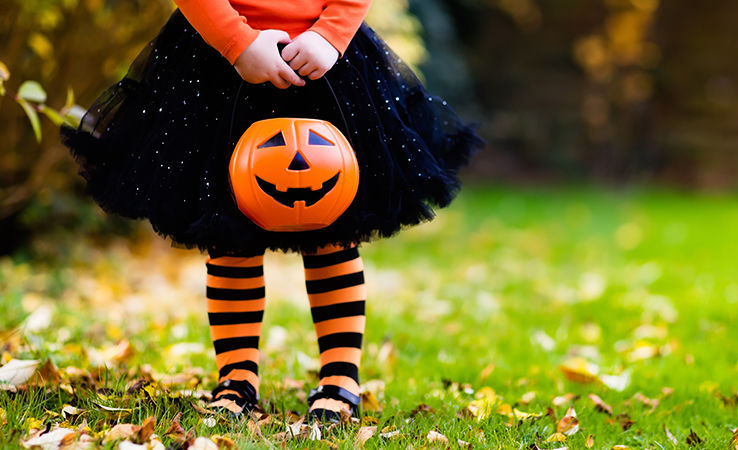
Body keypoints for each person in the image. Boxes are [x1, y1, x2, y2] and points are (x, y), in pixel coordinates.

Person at [61, 0, 482, 421]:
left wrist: (331, 34)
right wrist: (238, 42)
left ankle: (340, 377)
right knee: (229, 236)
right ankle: (236, 377)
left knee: (333, 233)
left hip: (324, 61)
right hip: (218, 64)